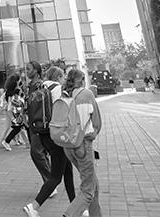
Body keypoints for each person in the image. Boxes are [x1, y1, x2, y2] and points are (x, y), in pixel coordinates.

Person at [23, 65, 75, 217]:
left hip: (43, 133)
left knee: (68, 171)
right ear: (58, 76)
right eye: (62, 76)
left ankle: (76, 207)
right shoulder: (57, 88)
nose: (63, 79)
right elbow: (61, 109)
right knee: (56, 177)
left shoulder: (41, 85)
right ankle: (33, 206)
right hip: (56, 134)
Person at [62, 69, 103, 217]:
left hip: (68, 145)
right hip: (83, 145)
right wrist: (94, 133)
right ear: (83, 80)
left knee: (93, 183)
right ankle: (69, 214)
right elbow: (97, 123)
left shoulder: (64, 95)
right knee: (87, 189)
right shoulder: (87, 94)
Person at [1, 82, 26, 151]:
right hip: (16, 114)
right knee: (18, 128)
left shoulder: (11, 95)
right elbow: (11, 107)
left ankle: (11, 140)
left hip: (16, 114)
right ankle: (6, 141)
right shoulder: (13, 96)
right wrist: (13, 118)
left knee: (19, 128)